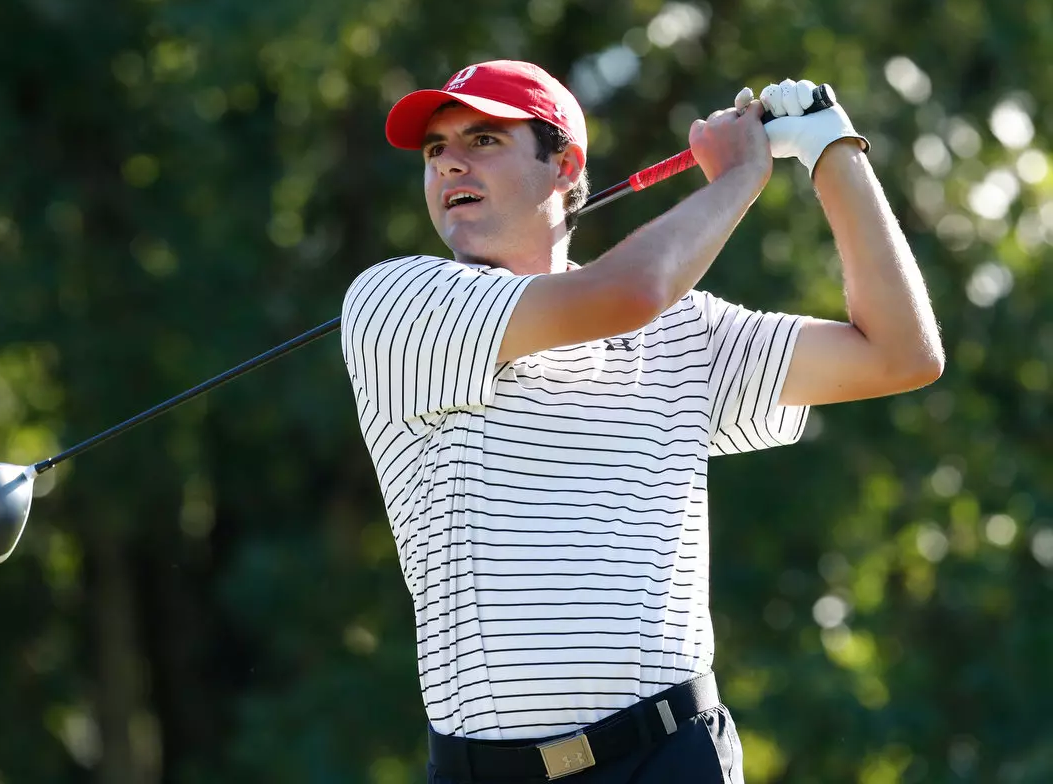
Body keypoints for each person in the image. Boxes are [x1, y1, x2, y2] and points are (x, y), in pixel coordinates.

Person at [339, 60, 943, 783]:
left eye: (483, 140)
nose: (450, 164)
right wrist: (738, 179)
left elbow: (900, 354)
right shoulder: (396, 301)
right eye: (436, 150)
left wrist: (831, 151)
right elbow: (629, 291)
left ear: (564, 166)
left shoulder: (684, 330)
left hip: (672, 755)